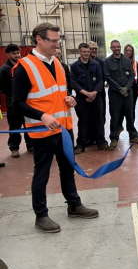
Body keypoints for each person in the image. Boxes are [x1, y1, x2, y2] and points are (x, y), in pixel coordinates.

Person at [12, 22, 98, 233]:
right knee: (41, 173)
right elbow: (17, 102)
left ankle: (74, 205)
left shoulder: (58, 63)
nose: (56, 44)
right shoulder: (24, 67)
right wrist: (42, 115)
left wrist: (69, 99)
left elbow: (59, 91)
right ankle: (41, 216)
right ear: (39, 39)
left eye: (57, 40)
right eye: (53, 40)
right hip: (42, 131)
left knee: (67, 168)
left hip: (64, 128)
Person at [70, 43, 112, 154]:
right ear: (79, 52)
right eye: (84, 51)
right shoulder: (74, 66)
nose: (86, 54)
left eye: (88, 51)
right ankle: (81, 145)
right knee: (83, 121)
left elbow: (100, 80)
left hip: (96, 97)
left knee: (99, 120)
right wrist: (86, 94)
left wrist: (94, 93)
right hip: (82, 99)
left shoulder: (96, 65)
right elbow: (73, 83)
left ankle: (101, 142)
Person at [104, 40, 138, 147]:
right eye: (114, 47)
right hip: (115, 94)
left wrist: (126, 88)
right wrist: (119, 88)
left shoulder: (126, 60)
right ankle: (114, 137)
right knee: (115, 116)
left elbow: (131, 75)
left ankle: (133, 135)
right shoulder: (107, 62)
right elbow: (108, 77)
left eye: (118, 47)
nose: (116, 48)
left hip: (127, 93)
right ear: (111, 48)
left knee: (130, 115)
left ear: (120, 47)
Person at [0, 43, 33, 157]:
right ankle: (14, 148)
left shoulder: (24, 66)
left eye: (18, 53)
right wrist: (12, 95)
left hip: (27, 101)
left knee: (29, 123)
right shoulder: (4, 70)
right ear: (8, 54)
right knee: (14, 126)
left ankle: (30, 145)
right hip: (13, 102)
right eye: (14, 53)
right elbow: (2, 86)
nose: (17, 55)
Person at [88, 41, 106, 123]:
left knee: (101, 116)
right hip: (86, 95)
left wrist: (96, 91)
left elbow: (103, 78)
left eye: (95, 49)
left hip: (99, 94)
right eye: (92, 49)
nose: (94, 50)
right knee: (89, 118)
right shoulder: (82, 63)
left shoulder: (101, 63)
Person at [124, 44, 138, 121]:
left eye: (130, 51)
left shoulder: (135, 63)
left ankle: (131, 127)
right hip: (123, 89)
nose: (129, 52)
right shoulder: (121, 62)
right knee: (122, 110)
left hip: (133, 90)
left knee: (132, 109)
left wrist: (137, 87)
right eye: (127, 50)